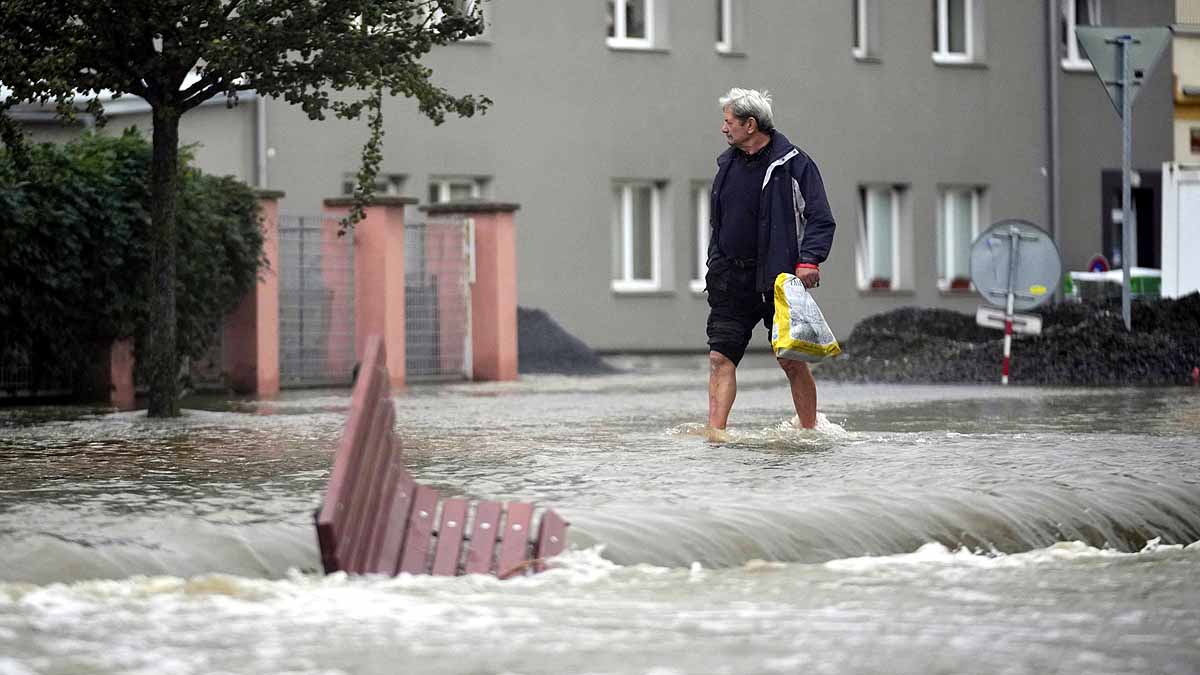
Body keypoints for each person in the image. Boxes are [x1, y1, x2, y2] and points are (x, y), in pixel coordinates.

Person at [705, 87, 836, 432]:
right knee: (720, 358)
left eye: (728, 121)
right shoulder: (726, 165)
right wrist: (715, 265)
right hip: (731, 279)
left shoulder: (795, 164)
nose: (723, 128)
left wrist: (810, 259)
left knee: (790, 360)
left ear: (750, 124)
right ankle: (716, 434)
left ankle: (808, 430)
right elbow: (719, 222)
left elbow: (820, 217)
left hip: (779, 280)